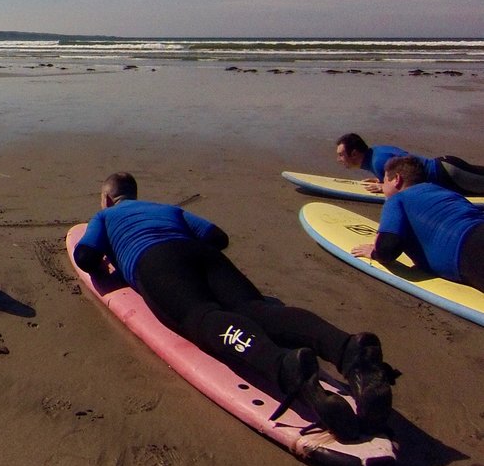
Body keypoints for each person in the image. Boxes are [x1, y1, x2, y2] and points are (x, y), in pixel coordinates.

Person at [72, 172, 398, 440]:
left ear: (107, 199)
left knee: (202, 318)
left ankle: (286, 367)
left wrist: (109, 257)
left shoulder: (105, 216)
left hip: (155, 262)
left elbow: (85, 256)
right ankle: (349, 349)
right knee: (256, 308)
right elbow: (218, 237)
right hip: (201, 254)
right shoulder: (167, 209)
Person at [352, 156, 484, 292]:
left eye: (385, 181)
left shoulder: (397, 199)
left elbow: (387, 249)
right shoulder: (445, 192)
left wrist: (374, 252)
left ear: (396, 179)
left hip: (467, 249)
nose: (383, 186)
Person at [335, 132, 484, 194]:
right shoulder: (375, 155)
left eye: (341, 155)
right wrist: (384, 180)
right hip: (446, 168)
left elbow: (413, 170)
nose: (339, 160)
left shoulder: (379, 161)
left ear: (354, 153)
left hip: (449, 174)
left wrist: (386, 186)